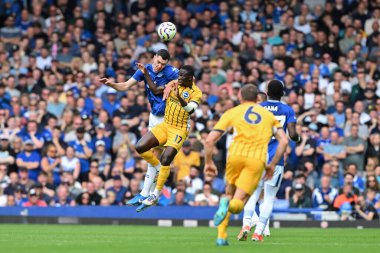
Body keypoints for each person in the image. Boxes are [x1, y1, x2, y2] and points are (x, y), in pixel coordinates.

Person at [203, 84, 288, 246]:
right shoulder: (268, 115)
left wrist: (208, 162)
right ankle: (230, 208)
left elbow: (209, 140)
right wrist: (273, 164)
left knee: (229, 194)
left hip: (234, 156)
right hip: (256, 160)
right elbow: (284, 141)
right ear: (257, 98)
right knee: (241, 200)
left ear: (240, 97)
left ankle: (222, 236)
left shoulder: (232, 112)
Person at [100, 49, 179, 206]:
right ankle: (146, 193)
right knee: (151, 155)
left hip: (168, 119)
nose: (159, 66)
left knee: (157, 154)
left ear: (167, 63)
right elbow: (125, 86)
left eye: (163, 64)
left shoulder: (171, 73)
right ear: (154, 57)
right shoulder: (146, 69)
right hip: (154, 116)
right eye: (157, 62)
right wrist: (112, 84)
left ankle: (153, 192)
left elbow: (158, 89)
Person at [238, 79, 301, 242]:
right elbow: (293, 135)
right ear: (282, 94)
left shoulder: (257, 108)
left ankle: (246, 225)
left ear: (266, 93)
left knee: (252, 194)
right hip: (275, 159)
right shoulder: (287, 109)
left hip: (256, 156)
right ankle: (258, 233)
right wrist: (298, 138)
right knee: (269, 198)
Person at [135, 65, 202, 212]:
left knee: (166, 158)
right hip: (166, 125)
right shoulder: (173, 83)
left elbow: (191, 109)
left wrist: (178, 96)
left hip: (179, 129)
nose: (179, 78)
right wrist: (145, 73)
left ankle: (155, 194)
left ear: (190, 78)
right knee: (140, 147)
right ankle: (158, 168)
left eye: (182, 76)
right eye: (179, 76)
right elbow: (155, 89)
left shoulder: (196, 92)